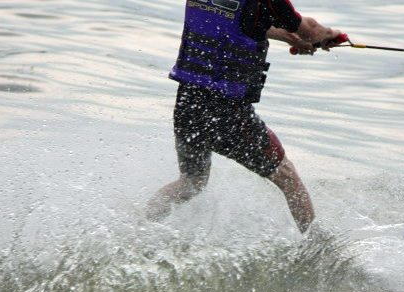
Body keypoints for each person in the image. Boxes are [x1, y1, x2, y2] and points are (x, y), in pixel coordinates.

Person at [147, 0, 343, 233]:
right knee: (287, 177)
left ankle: (140, 227)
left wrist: (290, 38)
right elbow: (310, 31)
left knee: (192, 183)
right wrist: (330, 34)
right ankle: (319, 250)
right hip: (227, 110)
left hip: (188, 103)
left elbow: (242, 21)